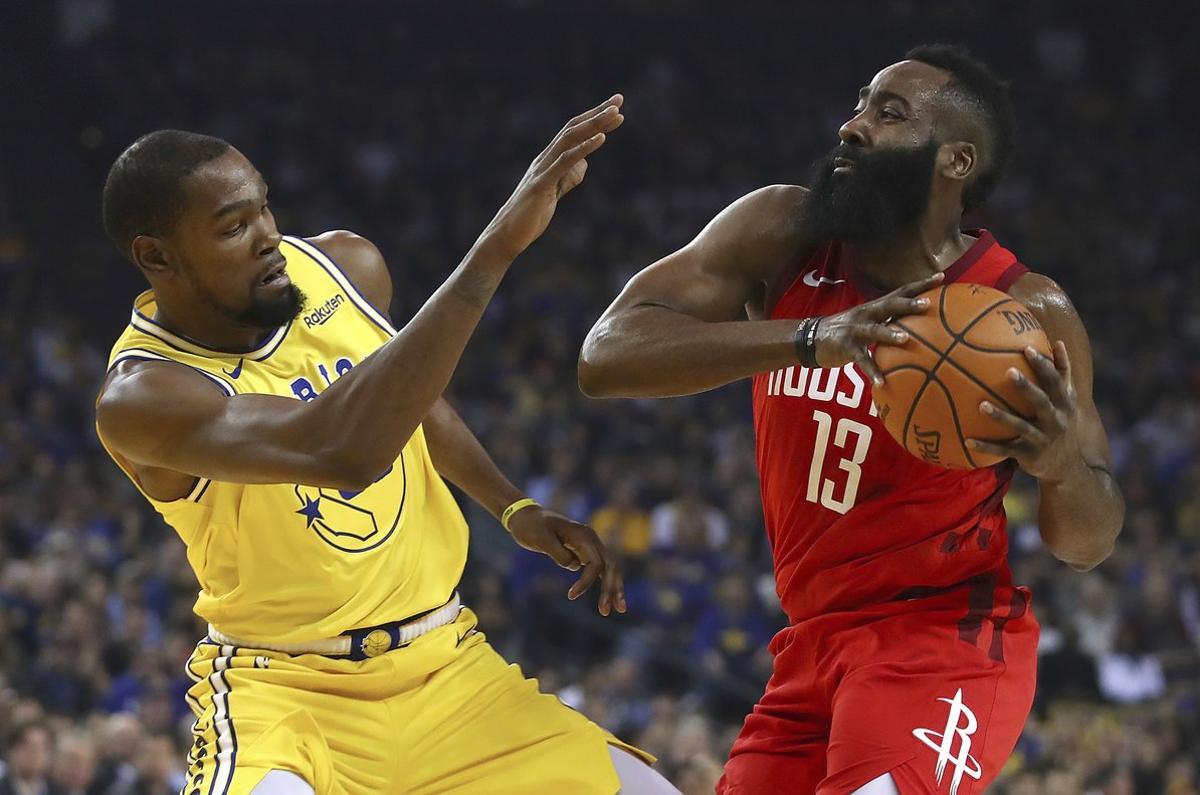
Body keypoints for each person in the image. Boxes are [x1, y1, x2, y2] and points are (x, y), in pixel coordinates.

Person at [579, 45, 1124, 794]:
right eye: (862, 103)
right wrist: (807, 338)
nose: (852, 126)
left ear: (955, 160)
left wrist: (1062, 465)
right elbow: (604, 357)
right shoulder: (784, 231)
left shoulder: (1025, 311)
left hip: (942, 638)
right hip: (809, 642)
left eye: (889, 114)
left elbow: (1088, 544)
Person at [94, 96, 678, 794]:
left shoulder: (344, 267)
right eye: (233, 226)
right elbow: (345, 449)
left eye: (264, 209)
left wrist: (512, 505)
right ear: (156, 256)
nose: (267, 237)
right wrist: (497, 248)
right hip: (287, 694)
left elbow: (410, 399)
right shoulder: (144, 397)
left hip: (447, 667)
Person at [0, 718, 61, 795]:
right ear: (11, 750)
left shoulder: (59, 791)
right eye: (27, 745)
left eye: (42, 747)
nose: (35, 752)